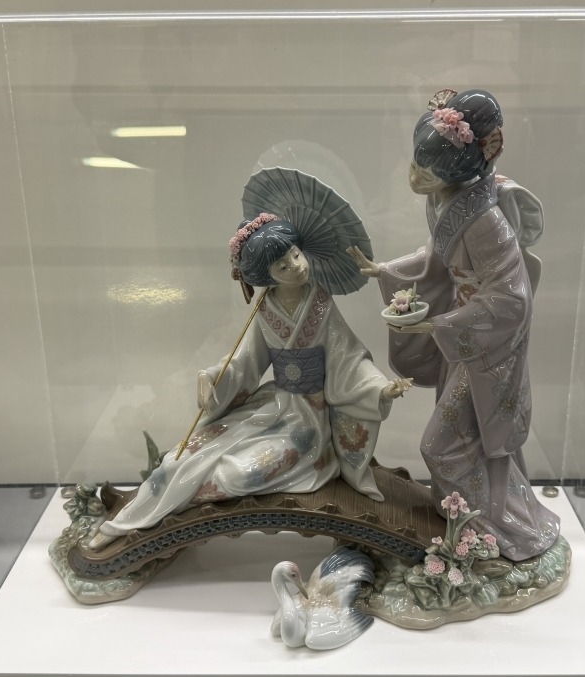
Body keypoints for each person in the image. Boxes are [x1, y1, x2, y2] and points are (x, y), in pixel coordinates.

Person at [89, 216, 411, 549]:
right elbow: (244, 362)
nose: (296, 266)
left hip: (307, 421)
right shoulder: (265, 308)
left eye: (296, 255)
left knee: (238, 472)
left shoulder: (321, 304)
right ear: (265, 275)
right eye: (282, 266)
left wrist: (379, 388)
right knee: (187, 456)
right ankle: (126, 521)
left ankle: (171, 504)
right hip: (270, 407)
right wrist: (212, 378)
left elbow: (349, 357)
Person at [350, 89, 559, 562]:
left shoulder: (486, 221)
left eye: (427, 173)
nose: (414, 178)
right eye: (414, 164)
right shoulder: (453, 199)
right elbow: (435, 258)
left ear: (462, 170)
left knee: (442, 444)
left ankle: (488, 527)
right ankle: (474, 521)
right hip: (465, 336)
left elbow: (512, 299)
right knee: (474, 440)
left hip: (488, 345)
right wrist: (386, 271)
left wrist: (439, 324)